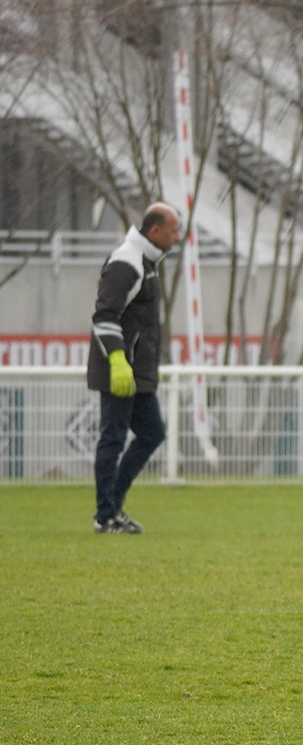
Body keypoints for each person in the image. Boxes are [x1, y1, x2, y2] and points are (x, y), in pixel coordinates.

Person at [89, 203, 181, 534]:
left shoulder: (147, 262)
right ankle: (105, 515)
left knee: (153, 433)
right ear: (155, 231)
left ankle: (112, 505)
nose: (177, 237)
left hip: (137, 372)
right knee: (112, 438)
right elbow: (104, 316)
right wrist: (117, 360)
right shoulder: (126, 262)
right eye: (174, 230)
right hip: (120, 370)